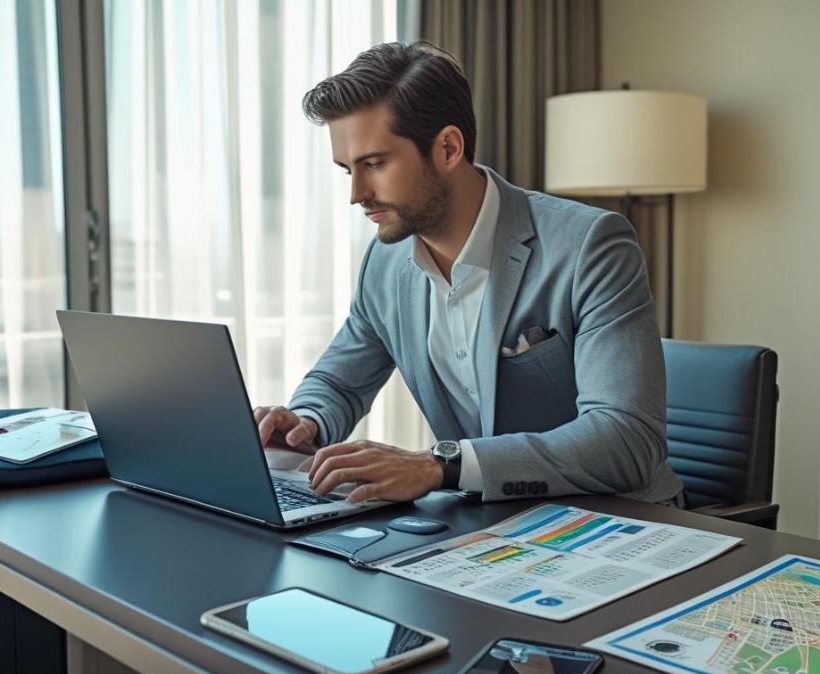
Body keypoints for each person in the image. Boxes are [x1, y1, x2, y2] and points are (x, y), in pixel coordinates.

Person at [253, 41, 683, 508]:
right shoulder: (385, 260)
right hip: (485, 522)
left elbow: (626, 439)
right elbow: (340, 382)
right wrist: (304, 422)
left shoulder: (589, 245)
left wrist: (441, 465)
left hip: (617, 520)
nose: (357, 194)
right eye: (347, 170)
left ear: (448, 148)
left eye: (374, 164)